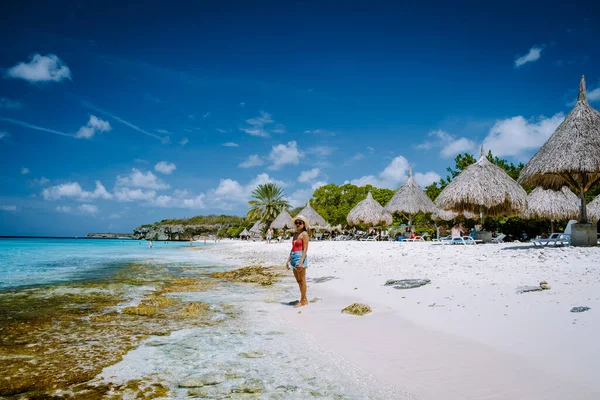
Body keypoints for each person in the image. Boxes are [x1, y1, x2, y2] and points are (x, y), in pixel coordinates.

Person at [285, 215, 309, 308]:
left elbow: (305, 249)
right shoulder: (295, 234)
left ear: (303, 224)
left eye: (300, 222)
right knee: (298, 281)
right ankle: (304, 299)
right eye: (296, 222)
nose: (298, 224)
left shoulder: (304, 234)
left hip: (300, 257)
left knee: (302, 280)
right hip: (293, 257)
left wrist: (301, 262)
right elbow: (293, 248)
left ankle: (302, 301)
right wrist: (287, 261)